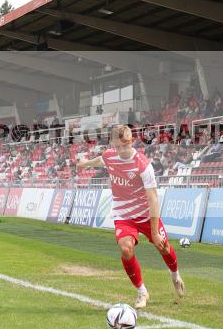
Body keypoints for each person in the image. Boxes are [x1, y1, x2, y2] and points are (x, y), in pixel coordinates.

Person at [76, 125, 184, 309]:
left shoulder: (143, 165)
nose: (121, 150)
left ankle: (175, 275)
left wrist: (154, 232)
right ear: (112, 144)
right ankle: (142, 292)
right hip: (123, 215)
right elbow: (100, 160)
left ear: (131, 142)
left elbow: (153, 198)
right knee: (126, 250)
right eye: (117, 146)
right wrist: (84, 163)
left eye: (124, 146)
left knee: (164, 247)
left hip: (146, 215)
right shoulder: (110, 156)